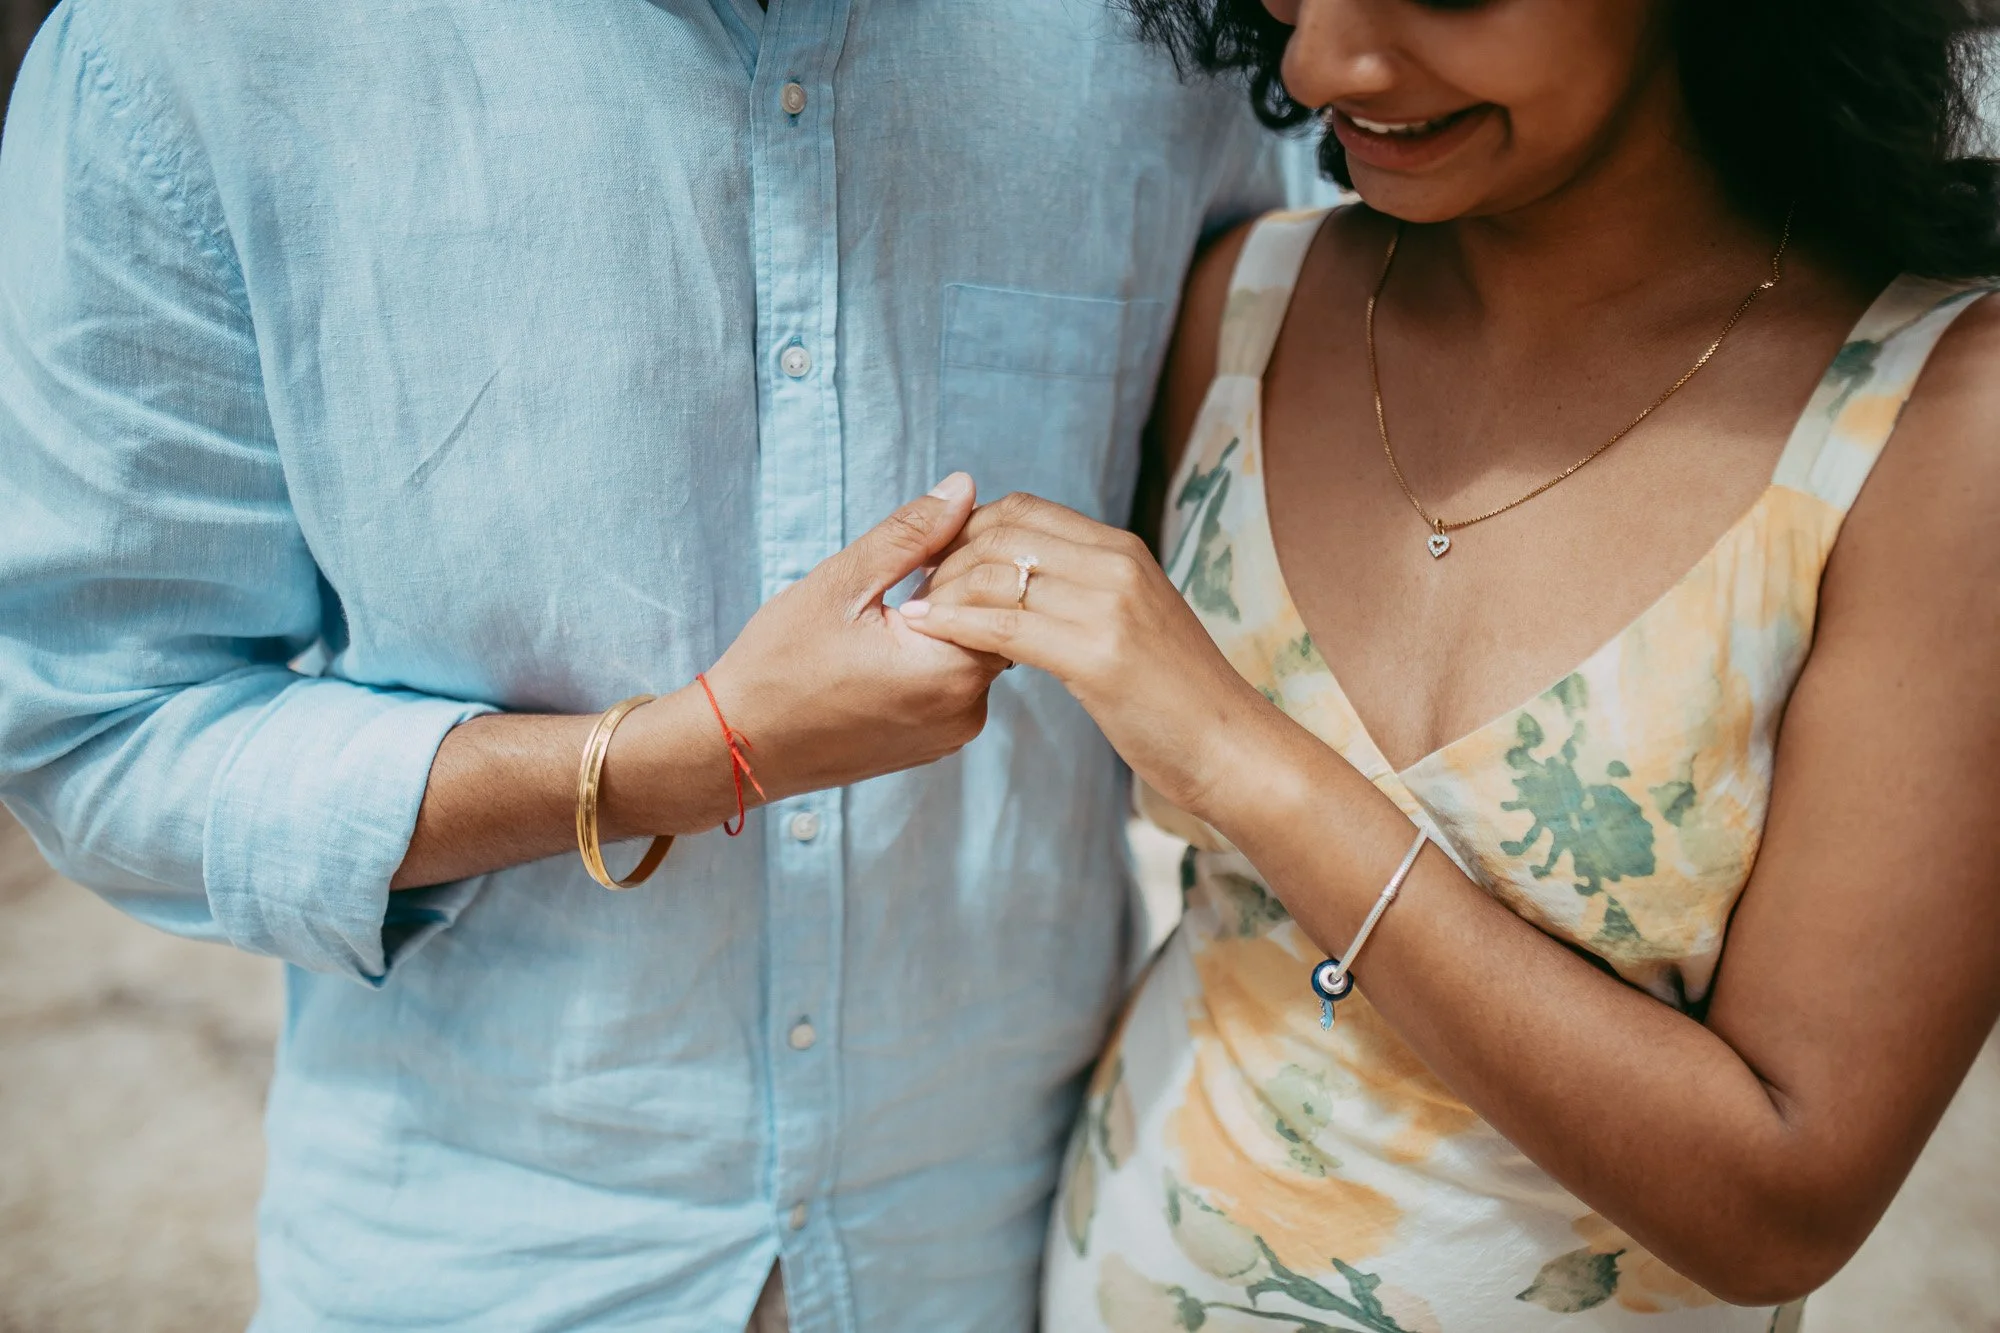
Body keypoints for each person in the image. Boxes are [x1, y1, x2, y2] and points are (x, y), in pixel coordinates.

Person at [0, 1, 1313, 1328]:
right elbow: (102, 729)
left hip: (1023, 1231)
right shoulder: (184, 51)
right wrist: (679, 760)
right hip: (481, 1257)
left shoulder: (1157, 34)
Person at [901, 0, 2000, 1326]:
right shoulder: (1250, 304)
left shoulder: (1939, 422)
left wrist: (1246, 761)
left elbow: (1781, 1207)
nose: (1318, 62)